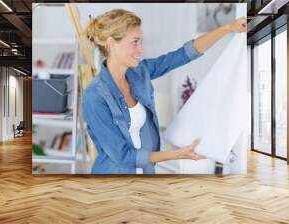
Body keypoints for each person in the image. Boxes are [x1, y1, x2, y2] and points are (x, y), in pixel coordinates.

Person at [82, 9, 246, 174]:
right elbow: (123, 156)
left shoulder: (140, 73)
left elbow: (183, 55)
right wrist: (177, 154)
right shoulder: (95, 96)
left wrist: (228, 28)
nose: (141, 50)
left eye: (141, 42)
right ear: (111, 43)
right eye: (135, 42)